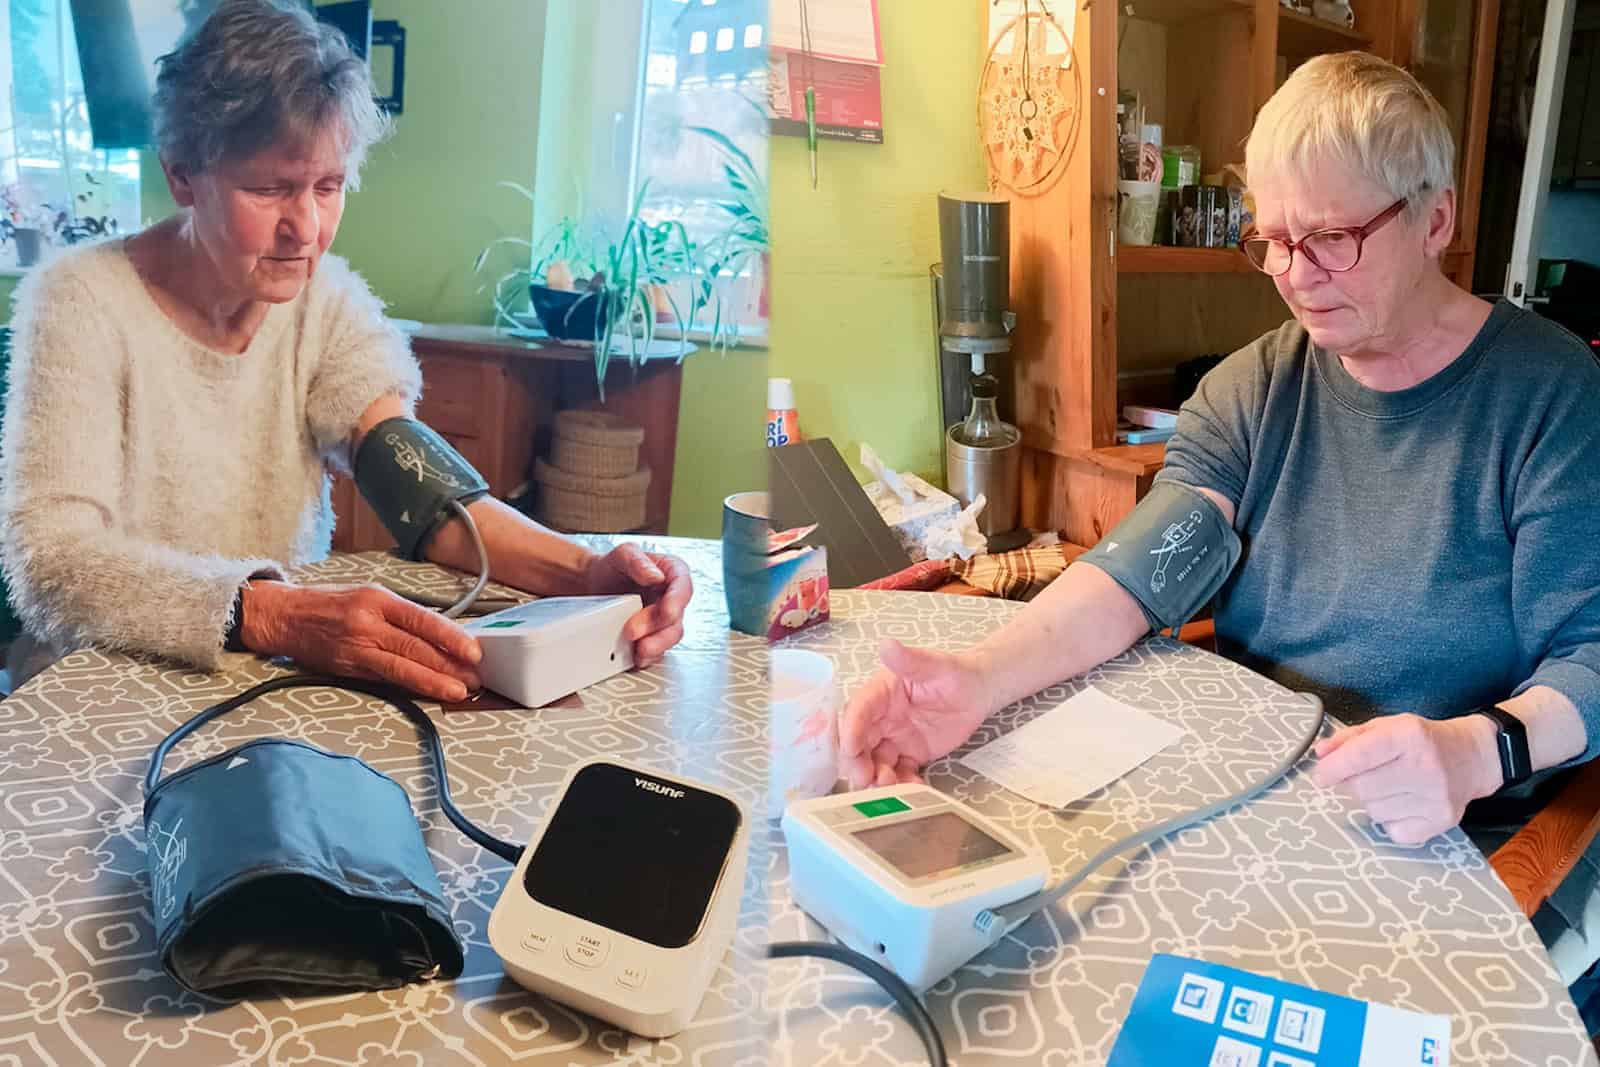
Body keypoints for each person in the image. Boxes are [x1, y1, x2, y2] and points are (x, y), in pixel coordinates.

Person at [840, 52, 1600, 989]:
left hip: (1452, 827)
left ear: (1434, 220)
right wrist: (976, 678)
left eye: (1330, 238)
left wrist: (1478, 750)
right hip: (1260, 798)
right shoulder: (1255, 386)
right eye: (1272, 239)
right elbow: (1136, 572)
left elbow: (1592, 653)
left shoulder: (1553, 395)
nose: (1294, 276)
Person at [0, 0, 689, 701]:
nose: (306, 227)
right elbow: (51, 561)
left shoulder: (326, 300)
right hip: (97, 685)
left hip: (262, 680)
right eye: (269, 189)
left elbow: (425, 494)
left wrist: (586, 572)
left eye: (327, 187)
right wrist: (269, 612)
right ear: (181, 176)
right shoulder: (80, 298)